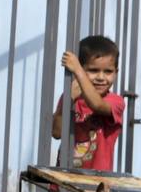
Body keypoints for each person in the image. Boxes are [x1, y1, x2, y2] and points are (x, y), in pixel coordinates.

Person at [51, 34, 126, 171]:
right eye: (93, 70)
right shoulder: (72, 97)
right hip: (63, 181)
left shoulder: (116, 101)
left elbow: (96, 105)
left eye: (108, 72)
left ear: (116, 72)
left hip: (95, 185)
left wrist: (78, 71)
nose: (101, 77)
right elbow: (56, 132)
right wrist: (66, 101)